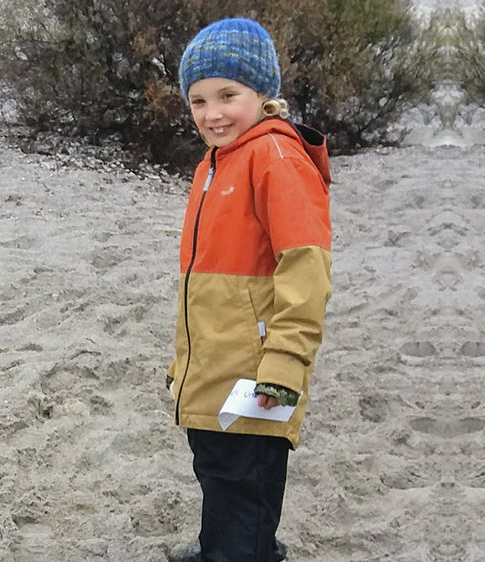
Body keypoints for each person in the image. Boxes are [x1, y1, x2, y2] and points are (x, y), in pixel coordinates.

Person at [165, 18, 332, 562]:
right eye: (198, 101)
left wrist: (284, 365)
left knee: (245, 478)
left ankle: (239, 550)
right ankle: (226, 545)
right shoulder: (218, 161)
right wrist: (185, 362)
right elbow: (208, 283)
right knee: (218, 468)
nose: (212, 114)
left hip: (257, 372)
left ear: (262, 94)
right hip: (215, 363)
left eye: (228, 96)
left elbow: (306, 273)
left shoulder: (276, 158)